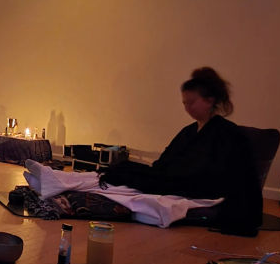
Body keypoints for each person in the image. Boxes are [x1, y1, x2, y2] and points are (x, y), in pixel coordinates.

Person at [100, 66, 262, 235]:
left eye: (191, 102)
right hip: (179, 178)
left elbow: (216, 172)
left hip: (202, 185)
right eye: (184, 103)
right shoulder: (188, 131)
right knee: (125, 168)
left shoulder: (227, 133)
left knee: (140, 177)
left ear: (210, 100)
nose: (187, 108)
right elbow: (164, 163)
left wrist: (175, 175)